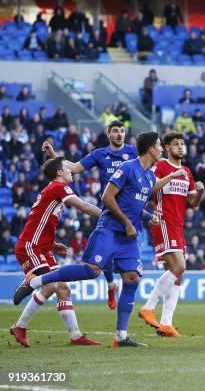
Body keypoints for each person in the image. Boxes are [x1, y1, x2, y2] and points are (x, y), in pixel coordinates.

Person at [14, 132, 186, 347]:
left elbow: (142, 195)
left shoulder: (149, 175)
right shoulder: (127, 168)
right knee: (91, 271)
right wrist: (127, 222)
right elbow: (106, 197)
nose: (163, 149)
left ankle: (120, 337)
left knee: (132, 278)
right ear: (151, 149)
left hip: (129, 237)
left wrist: (149, 215)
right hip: (110, 229)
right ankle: (36, 281)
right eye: (160, 146)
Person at [42, 120, 137, 310]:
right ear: (108, 134)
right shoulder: (100, 154)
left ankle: (113, 289)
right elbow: (74, 168)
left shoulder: (133, 152)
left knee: (126, 266)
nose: (119, 134)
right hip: (110, 211)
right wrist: (54, 156)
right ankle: (111, 285)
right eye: (115, 131)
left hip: (130, 212)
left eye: (122, 131)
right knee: (105, 251)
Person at [10, 157, 102, 348]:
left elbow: (39, 222)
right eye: (67, 168)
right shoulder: (58, 188)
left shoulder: (52, 190)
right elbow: (84, 206)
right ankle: (23, 313)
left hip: (41, 245)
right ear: (59, 173)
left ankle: (75, 336)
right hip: (31, 246)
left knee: (62, 289)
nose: (71, 170)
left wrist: (52, 244)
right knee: (52, 285)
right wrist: (111, 216)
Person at [139, 132, 205, 337]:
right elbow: (149, 189)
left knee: (177, 274)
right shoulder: (161, 166)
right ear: (166, 147)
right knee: (179, 267)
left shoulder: (186, 171)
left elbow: (192, 203)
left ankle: (167, 323)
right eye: (176, 144)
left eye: (182, 143)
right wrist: (170, 176)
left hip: (178, 224)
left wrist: (200, 192)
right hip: (163, 221)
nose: (180, 147)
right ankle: (148, 307)